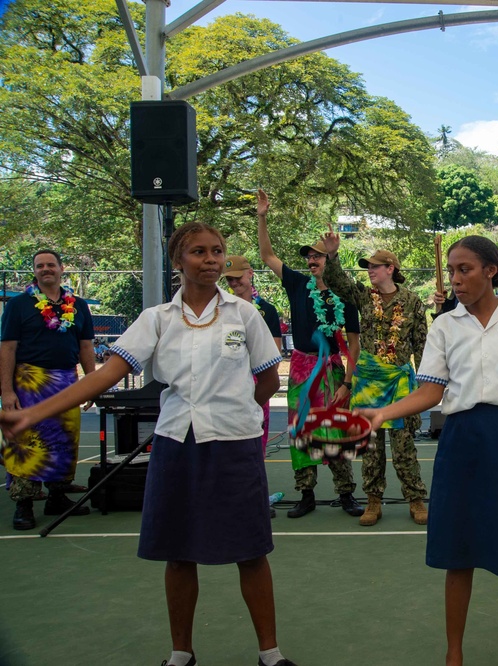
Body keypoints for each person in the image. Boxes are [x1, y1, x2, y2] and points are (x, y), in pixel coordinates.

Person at [0, 222, 294, 666]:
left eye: (217, 251)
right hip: (176, 442)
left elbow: (268, 379)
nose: (211, 259)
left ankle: (270, 654)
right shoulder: (156, 319)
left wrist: (240, 414)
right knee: (178, 553)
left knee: (251, 552)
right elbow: (103, 375)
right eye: (199, 252)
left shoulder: (245, 315)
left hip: (234, 445)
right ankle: (181, 653)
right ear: (178, 262)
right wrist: (31, 413)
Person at [356, 235, 498, 666]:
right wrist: (382, 413)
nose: (455, 279)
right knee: (459, 552)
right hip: (461, 440)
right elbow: (431, 391)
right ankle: (453, 654)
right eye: (453, 270)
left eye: (465, 269)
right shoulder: (445, 325)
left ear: (492, 270)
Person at [256, 189, 364, 519]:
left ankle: (346, 494)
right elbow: (267, 256)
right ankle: (306, 494)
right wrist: (262, 216)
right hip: (302, 369)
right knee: (301, 431)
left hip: (332, 370)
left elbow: (355, 344)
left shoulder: (343, 296)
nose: (311, 260)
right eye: (309, 256)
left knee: (335, 429)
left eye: (317, 255)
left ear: (328, 260)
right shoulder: (297, 285)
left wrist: (347, 382)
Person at [321, 231, 430, 526]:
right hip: (368, 379)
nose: (369, 271)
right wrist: (332, 255)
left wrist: (426, 381)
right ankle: (374, 500)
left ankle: (416, 498)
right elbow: (337, 282)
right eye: (368, 267)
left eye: (374, 266)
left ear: (390, 269)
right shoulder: (363, 296)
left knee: (403, 443)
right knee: (370, 445)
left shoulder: (412, 301)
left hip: (399, 380)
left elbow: (421, 343)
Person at [1, 249, 95, 530]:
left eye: (50, 264)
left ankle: (57, 496)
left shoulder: (77, 305)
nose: (45, 269)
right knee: (27, 441)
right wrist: (6, 391)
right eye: (40, 266)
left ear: (61, 268)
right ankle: (24, 504)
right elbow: (7, 348)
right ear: (35, 271)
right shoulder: (18, 305)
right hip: (29, 381)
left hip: (67, 381)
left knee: (64, 439)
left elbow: (86, 346)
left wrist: (92, 382)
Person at [223, 255, 283, 450]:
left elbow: (274, 353)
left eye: (237, 277)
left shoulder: (267, 311)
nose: (234, 283)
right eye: (229, 279)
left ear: (250, 274)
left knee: (256, 441)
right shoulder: (221, 309)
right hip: (229, 383)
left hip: (258, 381)